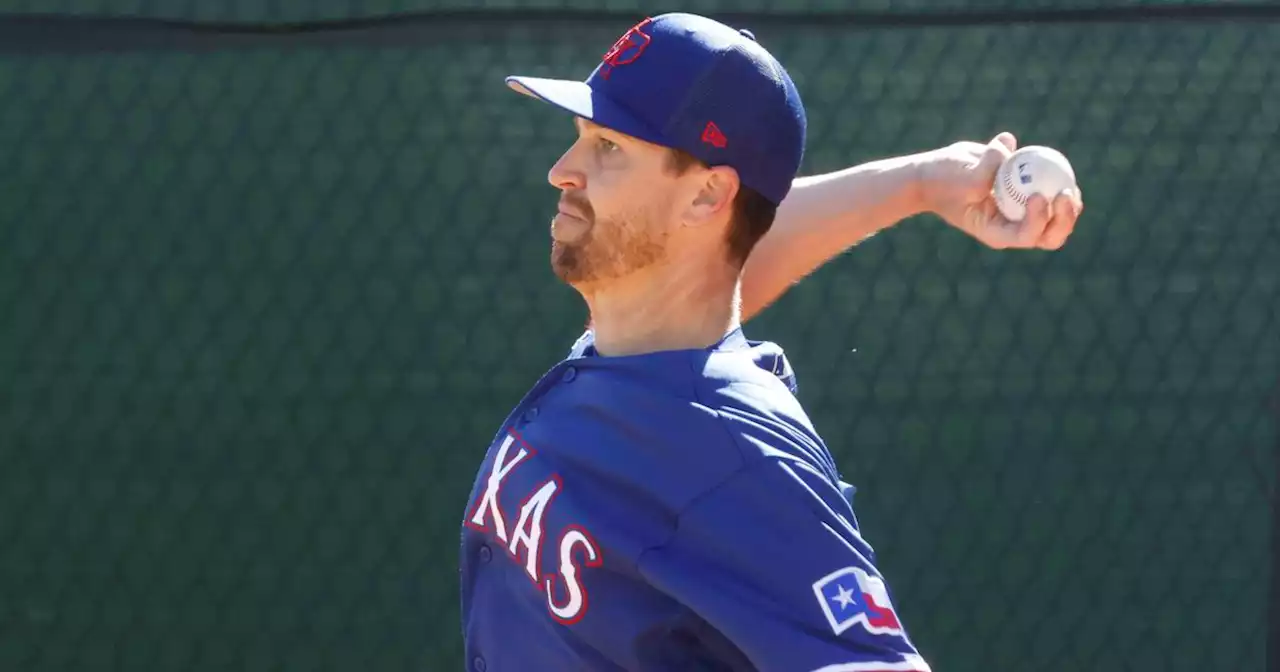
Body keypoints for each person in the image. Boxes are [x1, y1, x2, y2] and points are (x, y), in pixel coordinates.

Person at [459, 12, 1082, 672]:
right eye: (581, 136)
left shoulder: (734, 455)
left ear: (706, 194)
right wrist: (920, 181)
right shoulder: (639, 341)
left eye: (609, 146)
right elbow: (722, 254)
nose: (564, 169)